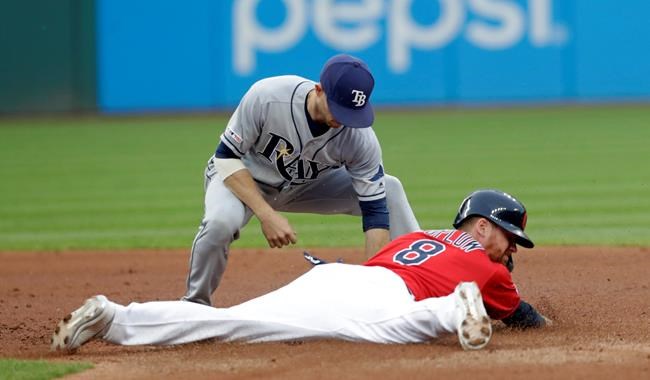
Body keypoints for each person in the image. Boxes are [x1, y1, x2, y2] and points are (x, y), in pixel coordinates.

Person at [51, 189, 549, 353]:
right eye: (510, 239)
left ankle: (114, 318)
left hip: (336, 279)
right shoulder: (487, 271)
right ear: (482, 228)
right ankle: (450, 309)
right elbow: (524, 318)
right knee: (393, 330)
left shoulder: (419, 237)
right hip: (383, 298)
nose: (512, 252)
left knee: (229, 322)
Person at [183, 53, 420, 306]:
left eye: (352, 112)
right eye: (340, 108)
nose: (344, 120)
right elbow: (227, 157)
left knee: (389, 189)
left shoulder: (359, 137)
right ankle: (195, 304)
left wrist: (370, 281)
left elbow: (375, 212)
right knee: (220, 222)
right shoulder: (268, 97)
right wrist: (266, 214)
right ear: (319, 90)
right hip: (242, 178)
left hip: (304, 187)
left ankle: (426, 275)